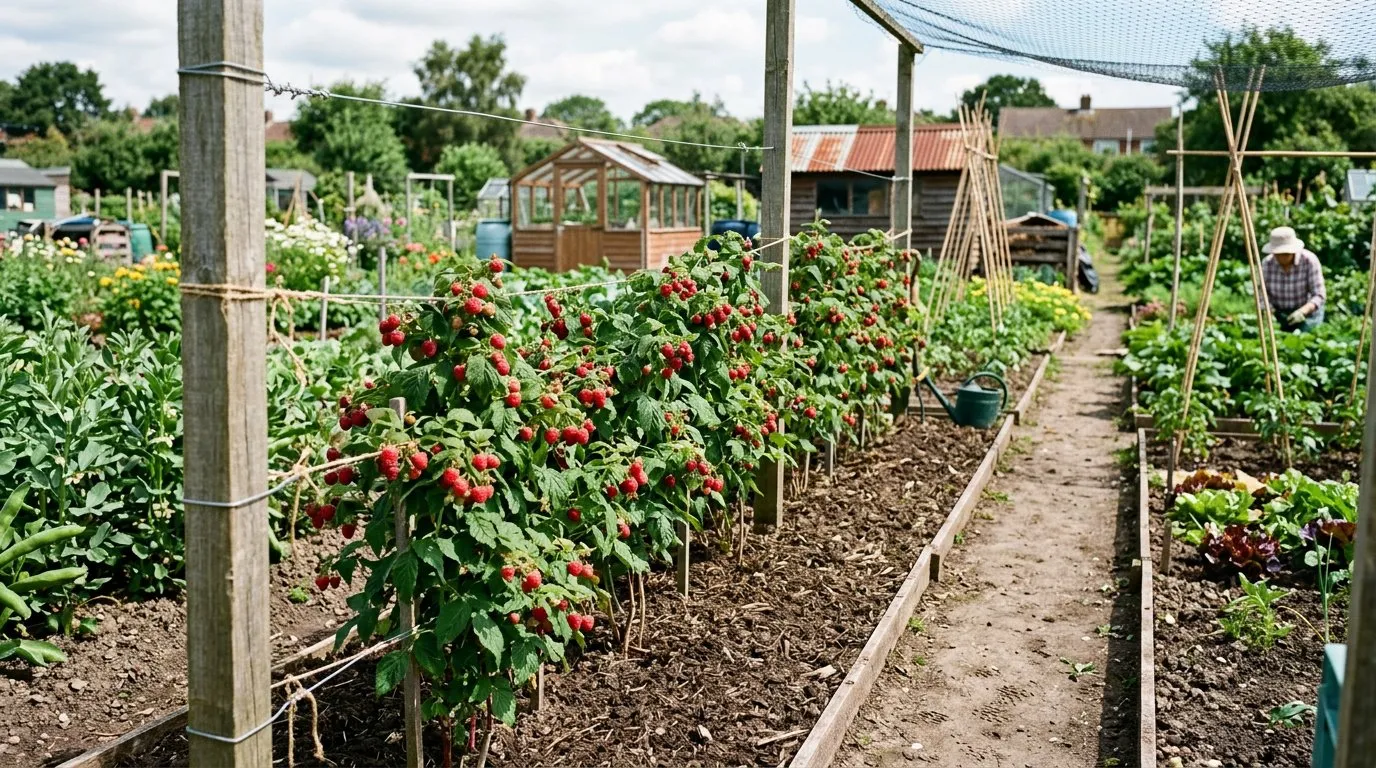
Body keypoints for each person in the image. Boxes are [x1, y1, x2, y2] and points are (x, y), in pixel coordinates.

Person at [1260, 226, 1326, 332]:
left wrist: (1302, 311)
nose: (1282, 258)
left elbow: (1319, 295)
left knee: (1306, 341)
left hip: (1307, 314)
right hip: (1279, 313)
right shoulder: (1267, 264)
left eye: (1285, 254)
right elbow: (1262, 294)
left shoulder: (1309, 261)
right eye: (1278, 254)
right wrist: (1269, 311)